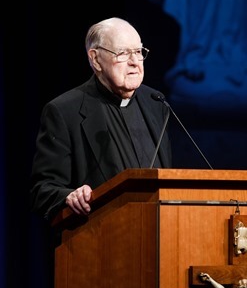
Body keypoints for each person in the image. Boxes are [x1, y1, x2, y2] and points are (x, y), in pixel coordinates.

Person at [30, 17, 172, 222]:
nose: (134, 61)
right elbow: (42, 190)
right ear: (95, 59)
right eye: (123, 53)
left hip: (159, 235)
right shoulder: (64, 111)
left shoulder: (156, 103)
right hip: (102, 238)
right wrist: (69, 197)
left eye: (138, 52)